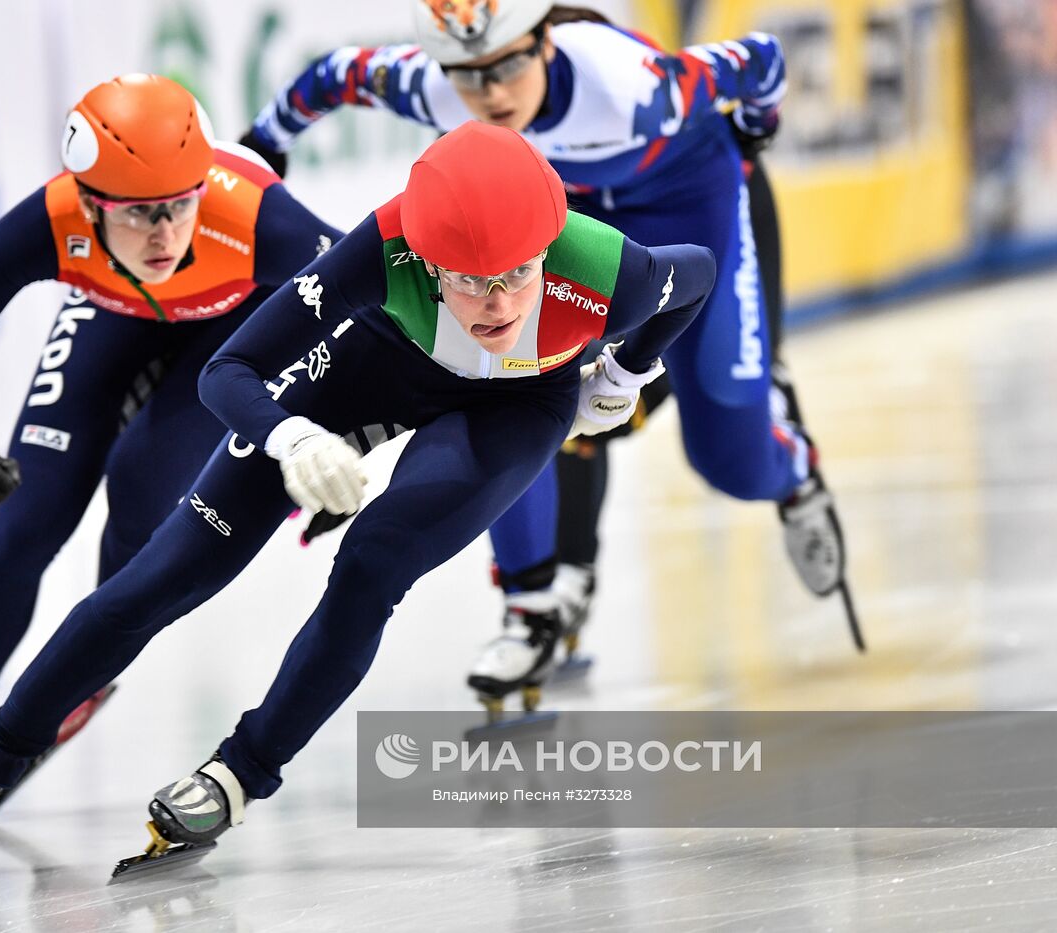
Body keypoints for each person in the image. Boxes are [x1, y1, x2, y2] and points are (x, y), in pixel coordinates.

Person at [0, 123, 717, 859]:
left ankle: (244, 769)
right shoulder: (382, 247)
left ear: (549, 249)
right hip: (374, 370)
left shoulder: (611, 271)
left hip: (515, 407)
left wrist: (629, 368)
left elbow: (701, 270)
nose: (494, 303)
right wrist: (292, 433)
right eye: (466, 280)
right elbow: (230, 368)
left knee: (373, 564)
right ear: (424, 258)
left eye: (516, 278)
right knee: (169, 567)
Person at [238, 0, 855, 713]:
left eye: (507, 65)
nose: (490, 93)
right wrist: (263, 148)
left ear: (546, 42)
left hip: (687, 203)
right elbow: (333, 77)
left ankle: (791, 462)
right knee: (502, 378)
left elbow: (763, 63)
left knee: (732, 459)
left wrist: (752, 136)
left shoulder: (634, 87)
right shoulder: (432, 85)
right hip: (549, 225)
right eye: (468, 76)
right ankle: (530, 600)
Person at [0, 74, 342, 790]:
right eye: (140, 215)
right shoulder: (50, 222)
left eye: (180, 207)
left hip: (236, 328)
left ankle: (81, 669)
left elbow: (378, 314)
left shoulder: (258, 218)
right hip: (113, 314)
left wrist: (324, 444)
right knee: (25, 520)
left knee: (143, 485)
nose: (166, 234)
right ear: (87, 203)